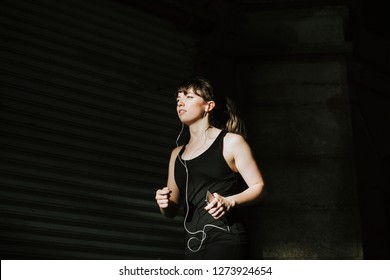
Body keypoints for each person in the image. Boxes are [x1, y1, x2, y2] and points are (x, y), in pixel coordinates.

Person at [155, 76, 264, 260]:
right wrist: (163, 203)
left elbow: (259, 187)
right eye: (178, 99)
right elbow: (171, 210)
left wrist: (230, 201)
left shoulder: (230, 142)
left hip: (226, 237)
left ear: (208, 106)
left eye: (189, 97)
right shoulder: (176, 154)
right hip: (193, 243)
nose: (180, 102)